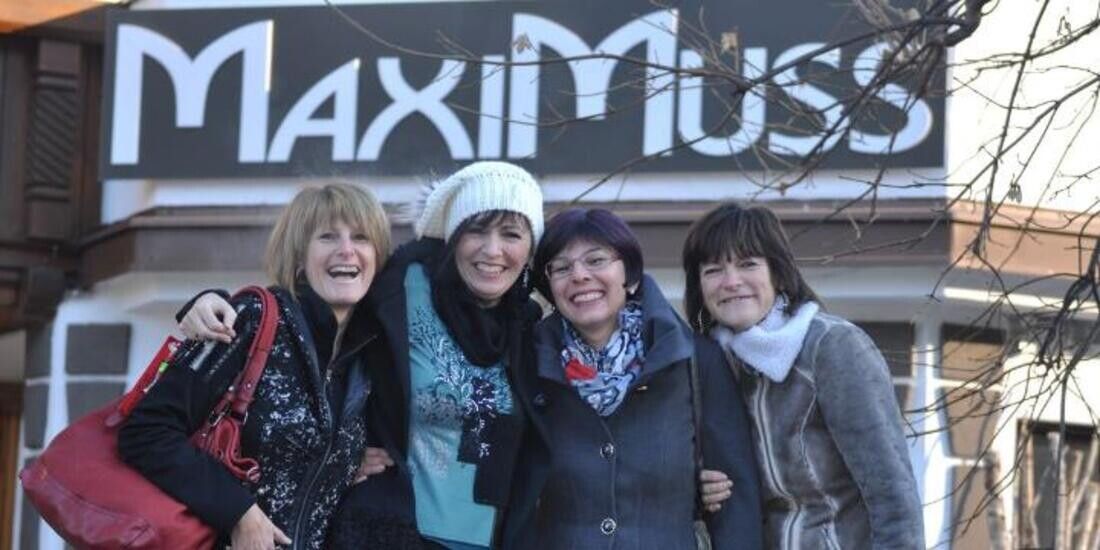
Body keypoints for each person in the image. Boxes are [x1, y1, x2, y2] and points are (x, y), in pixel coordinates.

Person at [118, 183, 393, 550]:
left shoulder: (366, 353)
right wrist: (238, 512)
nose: (346, 250)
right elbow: (145, 431)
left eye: (361, 238)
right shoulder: (253, 319)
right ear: (299, 256)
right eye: (327, 237)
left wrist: (338, 464)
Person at [512, 208, 762, 549]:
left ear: (629, 276)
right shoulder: (528, 362)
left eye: (596, 260)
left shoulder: (693, 358)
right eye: (562, 268)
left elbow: (736, 500)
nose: (580, 276)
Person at [681, 202, 924, 549]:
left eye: (748, 264)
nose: (731, 282)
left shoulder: (832, 346)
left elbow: (892, 492)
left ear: (778, 273)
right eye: (713, 270)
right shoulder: (707, 366)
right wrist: (699, 488)